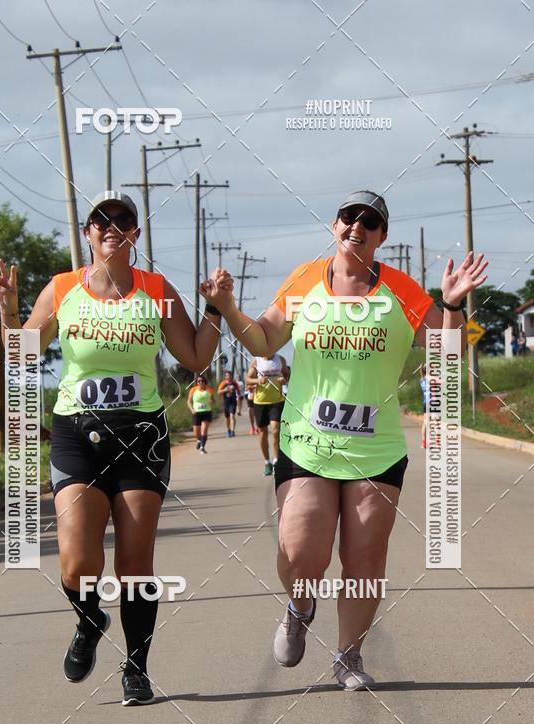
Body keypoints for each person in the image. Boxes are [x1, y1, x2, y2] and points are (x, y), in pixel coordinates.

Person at [205, 189, 487, 689]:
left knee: (364, 560)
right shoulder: (304, 279)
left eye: (369, 221)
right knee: (301, 552)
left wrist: (450, 303)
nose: (357, 226)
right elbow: (263, 339)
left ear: (382, 235)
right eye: (348, 217)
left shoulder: (401, 290)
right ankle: (299, 606)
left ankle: (348, 656)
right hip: (307, 442)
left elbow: (447, 351)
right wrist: (226, 306)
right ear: (335, 226)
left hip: (375, 450)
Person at [0, 190, 230, 705]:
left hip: (141, 436)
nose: (112, 228)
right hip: (77, 433)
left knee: (134, 565)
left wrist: (216, 308)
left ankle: (136, 668)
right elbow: (23, 356)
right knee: (77, 565)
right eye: (102, 221)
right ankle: (89, 619)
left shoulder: (156, 290)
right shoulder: (62, 289)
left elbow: (195, 357)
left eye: (123, 220)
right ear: (88, 233)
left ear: (135, 234)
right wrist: (9, 314)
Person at [246, 353, 289, 475]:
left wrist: (284, 380)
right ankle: (267, 462)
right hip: (260, 401)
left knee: (276, 430)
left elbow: (286, 374)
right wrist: (258, 380)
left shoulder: (280, 359)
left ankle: (276, 461)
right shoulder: (257, 361)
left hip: (277, 401)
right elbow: (248, 379)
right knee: (262, 432)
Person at [188, 374, 215, 452]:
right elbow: (189, 401)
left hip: (207, 412)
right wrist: (192, 410)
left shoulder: (209, 390)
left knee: (204, 430)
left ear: (205, 382)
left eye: (202, 381)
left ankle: (202, 447)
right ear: (196, 382)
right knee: (196, 433)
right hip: (196, 413)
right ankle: (199, 440)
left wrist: (212, 401)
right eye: (199, 381)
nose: (201, 382)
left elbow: (213, 400)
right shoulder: (193, 390)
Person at [218, 370, 239, 436]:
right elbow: (219, 392)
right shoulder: (223, 383)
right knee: (227, 418)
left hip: (233, 402)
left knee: (232, 416)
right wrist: (225, 390)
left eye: (229, 375)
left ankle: (232, 431)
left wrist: (238, 397)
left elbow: (238, 392)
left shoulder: (235, 383)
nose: (228, 376)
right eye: (227, 375)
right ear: (225, 377)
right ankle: (228, 429)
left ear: (232, 376)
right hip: (226, 402)